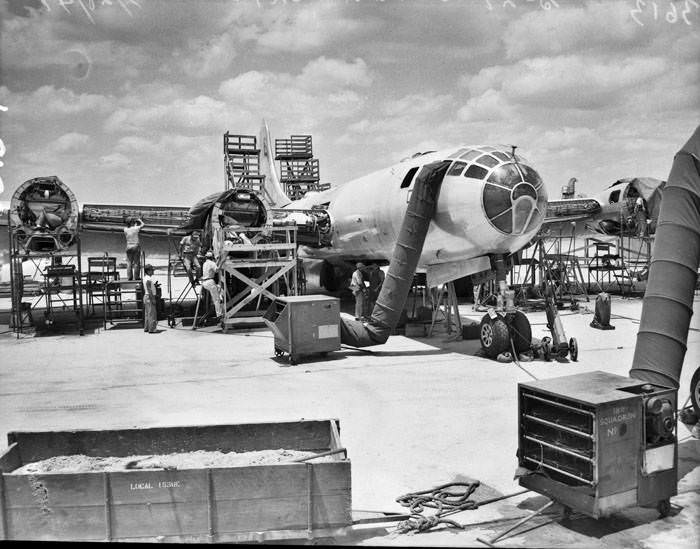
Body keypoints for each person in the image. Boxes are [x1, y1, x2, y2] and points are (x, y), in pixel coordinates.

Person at [201, 251, 223, 319]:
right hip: (210, 282)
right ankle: (219, 315)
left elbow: (213, 266)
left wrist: (219, 260)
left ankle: (217, 303)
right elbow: (216, 270)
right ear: (212, 257)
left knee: (219, 288)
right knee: (216, 299)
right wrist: (221, 262)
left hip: (204, 283)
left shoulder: (205, 263)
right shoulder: (212, 263)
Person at [142, 264, 159, 333]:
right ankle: (152, 329)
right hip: (149, 296)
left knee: (147, 313)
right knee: (152, 314)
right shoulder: (148, 279)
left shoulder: (145, 277)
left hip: (146, 296)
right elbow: (149, 290)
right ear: (148, 271)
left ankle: (147, 327)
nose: (153, 271)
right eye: (152, 270)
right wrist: (153, 299)